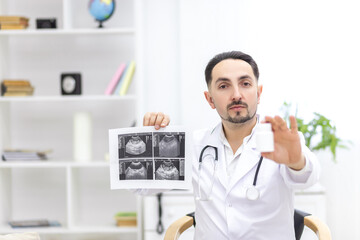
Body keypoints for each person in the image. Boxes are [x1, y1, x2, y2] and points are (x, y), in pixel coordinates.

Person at [140, 51, 320, 239]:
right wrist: (149, 141)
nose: (236, 95)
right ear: (210, 99)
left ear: (258, 94)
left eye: (245, 84)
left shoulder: (281, 140)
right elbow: (141, 188)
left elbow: (308, 177)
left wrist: (296, 161)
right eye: (224, 86)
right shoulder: (193, 145)